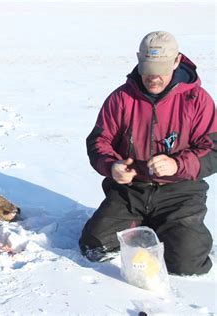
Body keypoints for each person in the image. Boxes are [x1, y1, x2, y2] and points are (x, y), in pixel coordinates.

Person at [80, 31, 216, 275]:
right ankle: (143, 223)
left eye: (161, 69)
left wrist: (178, 165)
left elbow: (213, 149)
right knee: (95, 246)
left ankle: (175, 229)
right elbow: (98, 141)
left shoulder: (198, 100)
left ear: (176, 61)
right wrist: (112, 166)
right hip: (130, 192)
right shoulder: (121, 98)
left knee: (188, 264)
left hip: (181, 193)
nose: (153, 77)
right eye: (148, 68)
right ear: (138, 59)